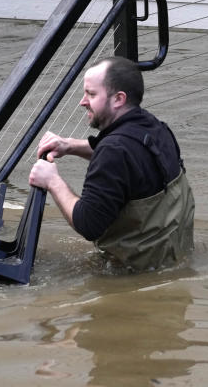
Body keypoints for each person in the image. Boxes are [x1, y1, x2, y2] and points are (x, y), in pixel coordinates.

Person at [28, 56, 195, 271]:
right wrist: (69, 145)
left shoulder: (113, 152)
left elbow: (87, 224)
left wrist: (52, 181)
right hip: (175, 258)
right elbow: (126, 162)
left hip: (135, 275)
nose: (82, 101)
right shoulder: (155, 128)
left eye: (91, 94)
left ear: (118, 99)